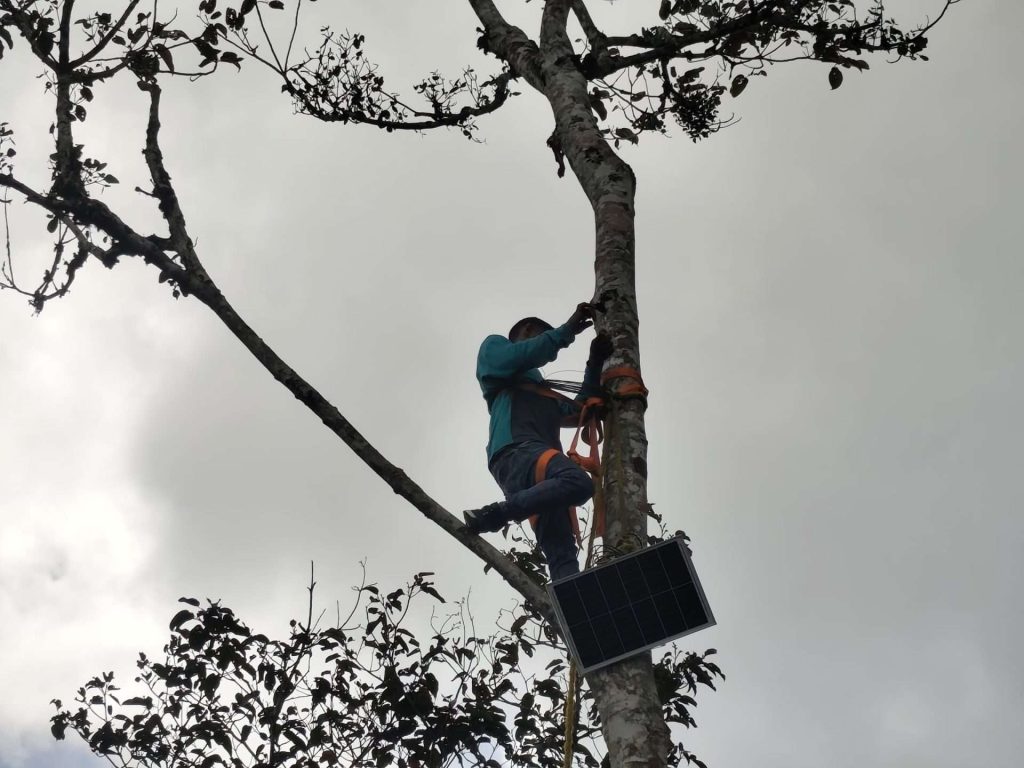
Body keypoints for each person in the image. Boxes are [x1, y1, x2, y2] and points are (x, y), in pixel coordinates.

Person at [463, 302, 613, 580]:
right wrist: (566, 331)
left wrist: (594, 363)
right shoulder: (495, 350)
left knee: (563, 556)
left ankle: (574, 618)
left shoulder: (541, 390)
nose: (548, 347)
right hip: (516, 453)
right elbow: (525, 354)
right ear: (529, 330)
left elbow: (578, 411)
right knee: (579, 483)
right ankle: (497, 513)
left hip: (536, 468)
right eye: (544, 336)